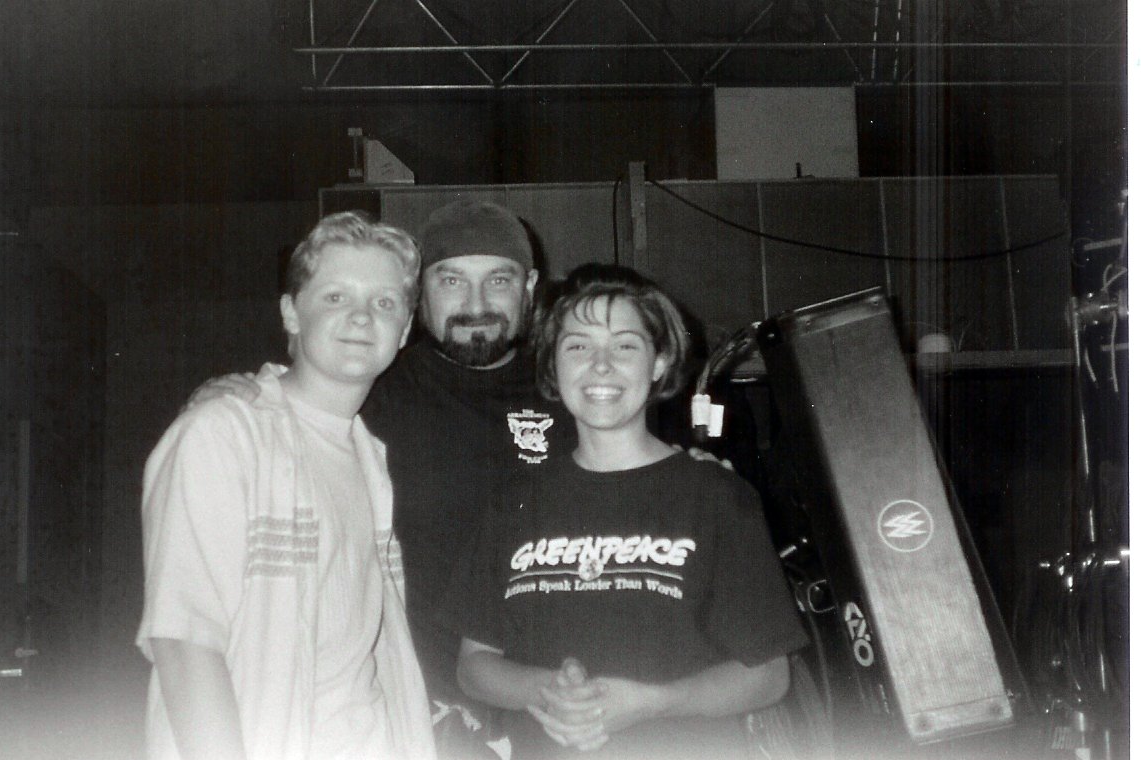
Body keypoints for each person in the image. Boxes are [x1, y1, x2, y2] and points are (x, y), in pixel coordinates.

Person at [446, 264, 809, 760]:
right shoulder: (513, 500)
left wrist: (655, 702)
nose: (601, 366)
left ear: (658, 362)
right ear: (553, 367)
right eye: (577, 346)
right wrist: (551, 690)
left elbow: (768, 676)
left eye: (624, 346)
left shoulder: (715, 494)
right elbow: (474, 666)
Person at [136, 212, 436, 760]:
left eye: (385, 303)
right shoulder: (222, 433)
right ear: (291, 312)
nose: (363, 318)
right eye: (336, 298)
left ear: (407, 327)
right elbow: (183, 641)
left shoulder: (371, 457)